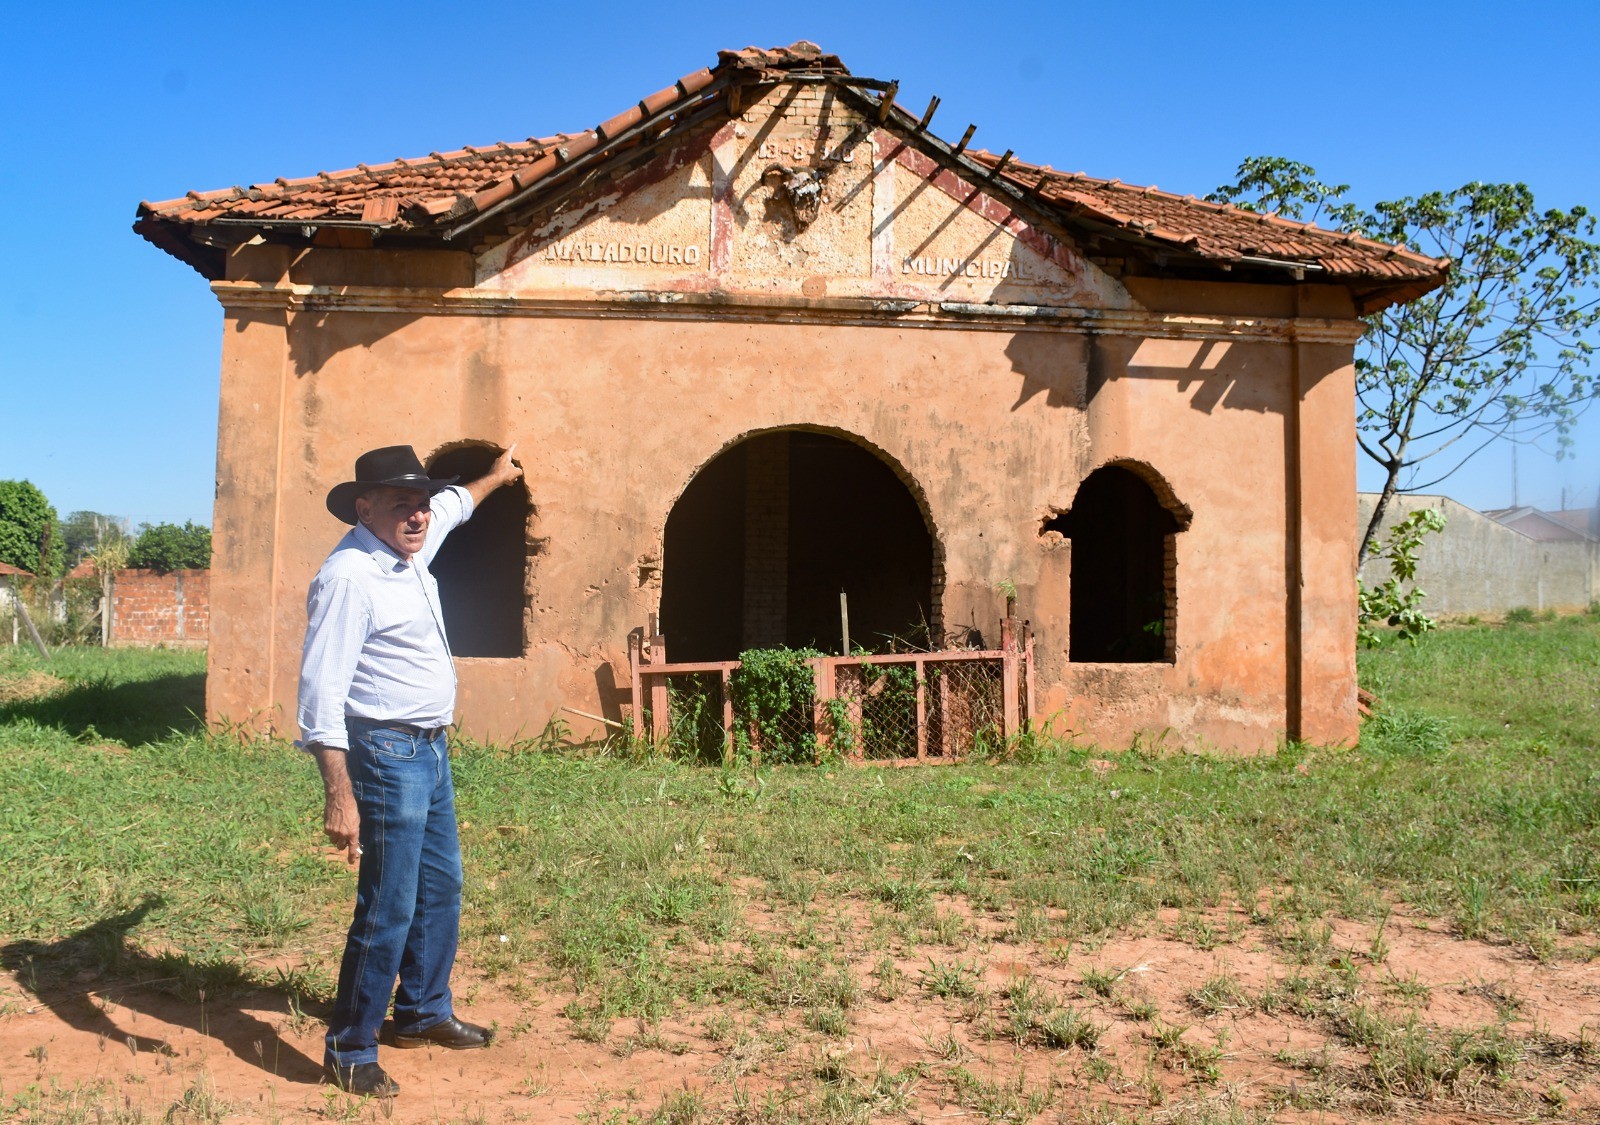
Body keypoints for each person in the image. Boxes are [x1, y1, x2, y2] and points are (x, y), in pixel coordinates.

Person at [298, 443, 523, 1097]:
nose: (420, 514)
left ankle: (421, 1010)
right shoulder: (348, 577)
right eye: (403, 503)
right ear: (365, 507)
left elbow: (458, 503)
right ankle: (349, 1045)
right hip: (385, 754)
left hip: (431, 749)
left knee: (440, 886)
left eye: (421, 502)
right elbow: (319, 696)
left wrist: (497, 476)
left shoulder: (412, 542)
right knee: (387, 904)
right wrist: (339, 795)